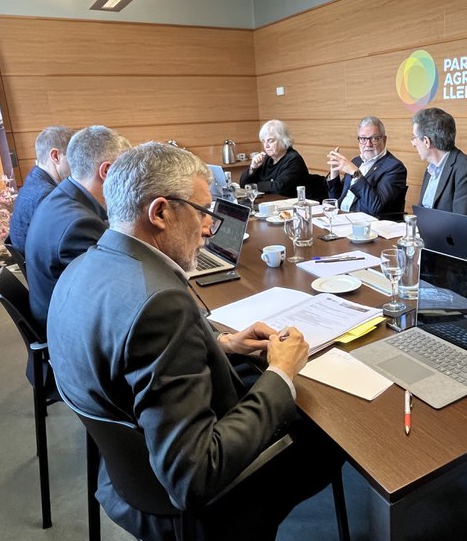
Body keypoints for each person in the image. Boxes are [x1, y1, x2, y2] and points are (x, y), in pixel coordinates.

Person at [47, 142, 342, 540]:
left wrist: (222, 344)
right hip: (190, 503)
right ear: (160, 213)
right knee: (330, 435)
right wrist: (281, 373)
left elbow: (131, 358)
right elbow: (194, 475)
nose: (208, 227)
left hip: (124, 475)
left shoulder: (82, 266)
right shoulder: (160, 304)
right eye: (203, 212)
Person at [25, 125, 131, 328]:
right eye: (127, 172)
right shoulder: (79, 224)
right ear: (107, 171)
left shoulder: (61, 197)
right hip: (63, 326)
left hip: (50, 305)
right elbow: (112, 294)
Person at [411, 107, 467, 222]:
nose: (413, 143)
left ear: (426, 141)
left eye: (414, 138)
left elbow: (461, 224)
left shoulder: (466, 171)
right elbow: (421, 212)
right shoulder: (430, 169)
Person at [8, 126, 75, 255]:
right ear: (55, 156)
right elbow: (67, 245)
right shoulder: (47, 195)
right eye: (74, 157)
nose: (78, 163)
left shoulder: (33, 180)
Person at [326, 116, 408, 219]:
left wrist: (356, 173)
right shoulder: (356, 161)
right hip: (341, 218)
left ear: (384, 139)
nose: (368, 144)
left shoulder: (395, 168)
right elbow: (336, 199)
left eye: (374, 138)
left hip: (366, 224)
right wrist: (334, 173)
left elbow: (376, 207)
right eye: (363, 139)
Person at [240, 119, 311, 197]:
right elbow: (243, 184)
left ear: (283, 140)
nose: (266, 146)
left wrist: (254, 186)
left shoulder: (293, 159)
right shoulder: (266, 158)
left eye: (270, 140)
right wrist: (253, 168)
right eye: (263, 141)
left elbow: (279, 187)